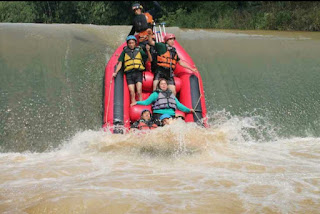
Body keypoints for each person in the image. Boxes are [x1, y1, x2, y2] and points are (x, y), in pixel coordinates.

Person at [131, 78, 195, 125]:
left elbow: (179, 105)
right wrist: (137, 102)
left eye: (165, 84)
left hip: (171, 115)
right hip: (159, 115)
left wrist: (189, 110)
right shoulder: (155, 94)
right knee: (167, 122)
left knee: (176, 121)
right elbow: (146, 102)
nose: (163, 85)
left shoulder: (171, 95)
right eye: (162, 84)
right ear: (159, 86)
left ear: (167, 85)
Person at [113, 35, 152, 104]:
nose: (131, 44)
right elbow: (120, 63)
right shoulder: (125, 52)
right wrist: (115, 72)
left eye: (132, 43)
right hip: (129, 73)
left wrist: (148, 51)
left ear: (135, 43)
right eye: (130, 43)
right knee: (131, 92)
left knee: (139, 91)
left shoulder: (139, 50)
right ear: (127, 44)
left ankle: (141, 104)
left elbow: (148, 59)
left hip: (138, 72)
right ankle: (133, 103)